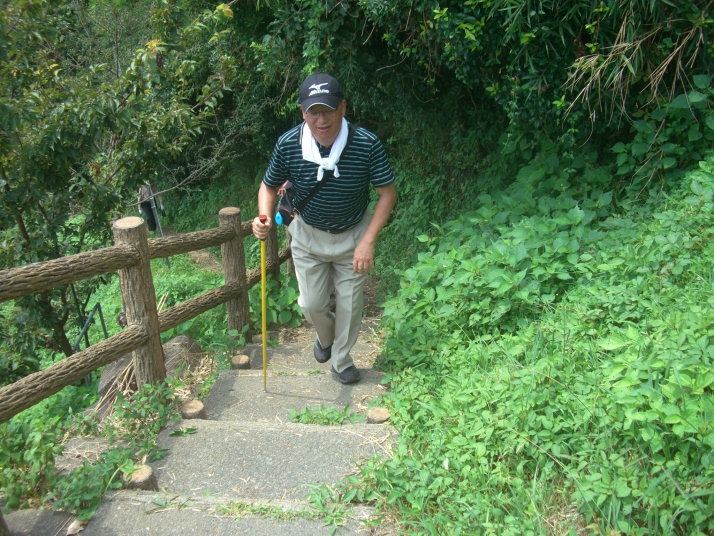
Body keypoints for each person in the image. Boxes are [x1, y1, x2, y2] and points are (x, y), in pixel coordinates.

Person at [252, 73, 397, 385]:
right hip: (308, 234)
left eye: (328, 110)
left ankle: (342, 361)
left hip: (353, 234)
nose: (322, 120)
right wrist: (264, 216)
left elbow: (387, 193)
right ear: (303, 113)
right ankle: (326, 337)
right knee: (311, 304)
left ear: (342, 107)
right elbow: (269, 186)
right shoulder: (288, 144)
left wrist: (368, 241)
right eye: (313, 112)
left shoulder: (366, 144)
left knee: (350, 305)